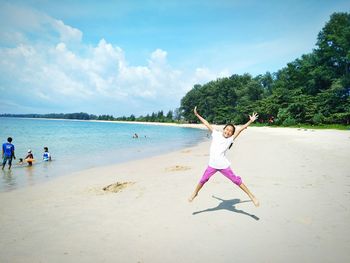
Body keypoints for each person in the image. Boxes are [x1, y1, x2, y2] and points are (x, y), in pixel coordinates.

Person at [188, 106, 260, 207]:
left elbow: (240, 130)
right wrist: (197, 115)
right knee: (203, 179)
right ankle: (195, 193)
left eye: (230, 131)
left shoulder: (230, 140)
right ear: (223, 129)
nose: (228, 132)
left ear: (232, 133)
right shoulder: (216, 134)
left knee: (236, 180)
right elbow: (206, 123)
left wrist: (250, 121)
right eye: (227, 129)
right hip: (212, 165)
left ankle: (252, 196)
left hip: (223, 165)